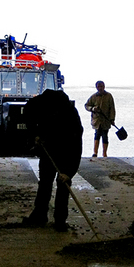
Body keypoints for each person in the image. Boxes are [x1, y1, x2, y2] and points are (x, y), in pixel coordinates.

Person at [22, 89, 83, 232]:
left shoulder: (72, 120)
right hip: (48, 148)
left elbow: (76, 149)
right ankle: (40, 215)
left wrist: (69, 172)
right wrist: (34, 133)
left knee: (63, 183)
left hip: (65, 152)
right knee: (45, 182)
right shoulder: (41, 104)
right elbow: (28, 112)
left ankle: (60, 220)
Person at [84, 80, 116, 160]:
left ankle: (104, 153)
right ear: (96, 87)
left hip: (106, 120)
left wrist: (112, 119)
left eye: (101, 86)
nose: (100, 88)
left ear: (104, 87)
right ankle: (95, 152)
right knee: (97, 135)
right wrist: (93, 108)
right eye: (99, 86)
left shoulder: (109, 96)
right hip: (97, 120)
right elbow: (86, 105)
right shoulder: (93, 97)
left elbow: (112, 108)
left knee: (105, 136)